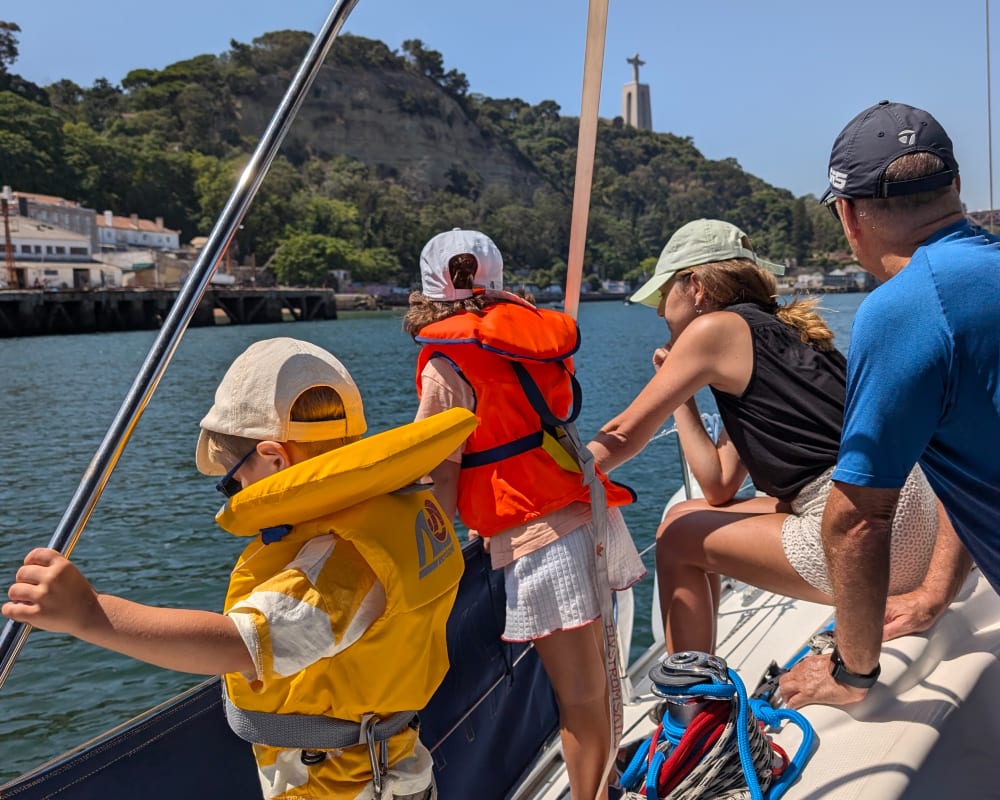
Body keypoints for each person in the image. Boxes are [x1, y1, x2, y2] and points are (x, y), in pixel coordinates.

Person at [2, 337, 477, 800]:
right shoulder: (397, 509)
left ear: (273, 459)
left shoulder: (343, 564)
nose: (240, 494)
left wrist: (90, 613)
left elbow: (239, 645)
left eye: (234, 482)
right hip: (389, 768)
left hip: (340, 786)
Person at [587, 218, 947, 656]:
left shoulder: (713, 329)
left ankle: (694, 706)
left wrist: (552, 478)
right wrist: (678, 395)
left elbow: (623, 434)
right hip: (905, 518)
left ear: (696, 286)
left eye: (664, 296)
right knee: (686, 511)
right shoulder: (786, 334)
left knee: (677, 538)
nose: (661, 312)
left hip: (866, 536)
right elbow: (718, 485)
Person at [403, 229, 646, 800]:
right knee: (600, 679)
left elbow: (438, 469)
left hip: (540, 538)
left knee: (581, 698)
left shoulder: (446, 361)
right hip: (584, 511)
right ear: (499, 283)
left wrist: (427, 554)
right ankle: (606, 784)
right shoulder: (532, 340)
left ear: (429, 293)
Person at [779, 100, 999, 709]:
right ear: (955, 186)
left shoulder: (904, 308)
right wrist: (936, 590)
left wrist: (852, 674)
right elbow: (971, 458)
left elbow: (857, 520)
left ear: (848, 215)